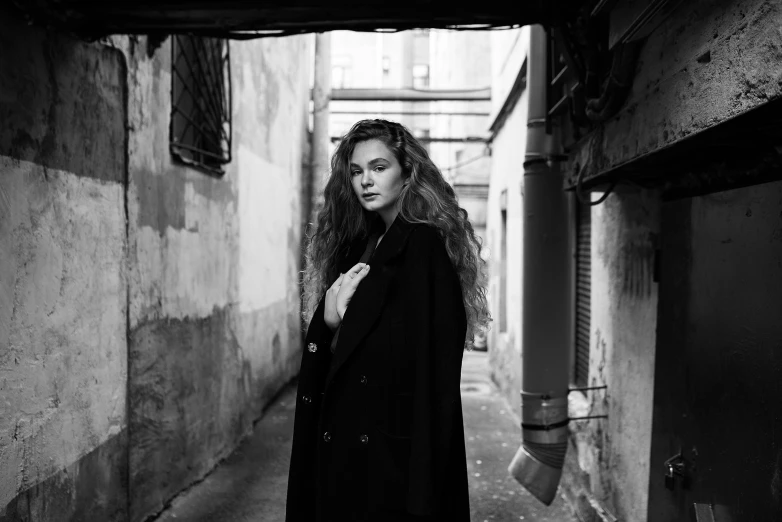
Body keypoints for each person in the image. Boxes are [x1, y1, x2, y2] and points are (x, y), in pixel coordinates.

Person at [286, 119, 489, 522]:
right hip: (344, 441)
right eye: (357, 171)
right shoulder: (358, 245)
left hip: (390, 454)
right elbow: (342, 348)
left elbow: (435, 379)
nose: (366, 181)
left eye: (379, 168)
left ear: (407, 172)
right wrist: (325, 322)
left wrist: (424, 483)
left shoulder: (424, 248)